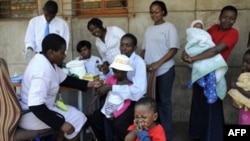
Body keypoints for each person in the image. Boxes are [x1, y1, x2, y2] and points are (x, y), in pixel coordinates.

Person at [18, 34, 103, 141]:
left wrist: (88, 84)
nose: (65, 56)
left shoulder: (47, 61)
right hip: (31, 115)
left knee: (78, 116)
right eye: (62, 52)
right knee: (73, 122)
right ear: (51, 52)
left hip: (42, 108)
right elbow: (36, 106)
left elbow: (65, 79)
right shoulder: (41, 71)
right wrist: (61, 124)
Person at [182, 5, 239, 141]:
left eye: (232, 19)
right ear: (220, 17)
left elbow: (215, 50)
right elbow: (197, 40)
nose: (228, 20)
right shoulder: (213, 28)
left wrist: (193, 58)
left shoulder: (233, 33)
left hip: (214, 73)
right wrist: (185, 53)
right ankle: (196, 135)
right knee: (198, 103)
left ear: (235, 21)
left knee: (212, 105)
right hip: (200, 70)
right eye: (225, 17)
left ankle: (213, 137)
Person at [87, 33, 147, 141]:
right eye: (122, 45)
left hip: (132, 101)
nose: (123, 48)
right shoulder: (119, 59)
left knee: (118, 124)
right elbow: (114, 77)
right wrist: (106, 72)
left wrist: (112, 88)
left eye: (127, 45)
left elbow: (139, 91)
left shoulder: (138, 63)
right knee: (94, 118)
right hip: (116, 99)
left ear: (134, 47)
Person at [140, 1, 180, 140]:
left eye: (157, 11)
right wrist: (141, 64)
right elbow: (144, 50)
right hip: (150, 72)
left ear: (163, 11)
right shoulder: (149, 29)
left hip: (164, 70)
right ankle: (155, 133)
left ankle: (167, 134)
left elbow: (173, 49)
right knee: (152, 103)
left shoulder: (169, 27)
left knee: (164, 103)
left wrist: (158, 63)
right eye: (151, 12)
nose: (154, 14)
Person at [185, 19, 228, 104]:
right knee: (197, 67)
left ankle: (210, 92)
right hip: (196, 56)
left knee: (211, 71)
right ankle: (198, 80)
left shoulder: (206, 35)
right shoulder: (191, 35)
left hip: (207, 55)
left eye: (200, 28)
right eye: (196, 27)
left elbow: (209, 44)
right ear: (191, 28)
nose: (198, 30)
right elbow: (190, 45)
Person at [228, 49, 250, 125]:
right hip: (244, 110)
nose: (244, 64)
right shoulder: (246, 75)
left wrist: (237, 88)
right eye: (243, 61)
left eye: (248, 63)